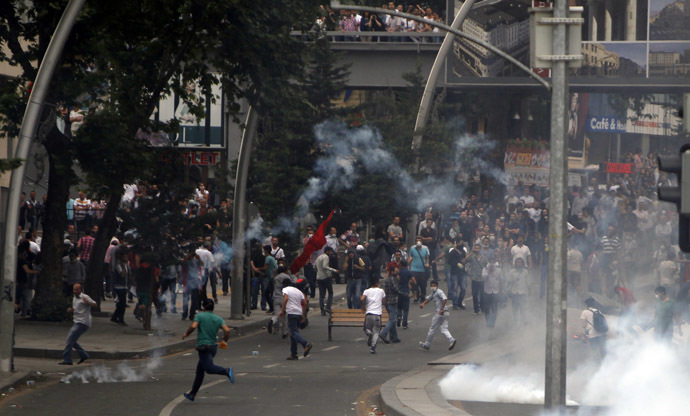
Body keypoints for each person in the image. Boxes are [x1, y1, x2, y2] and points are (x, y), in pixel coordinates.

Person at [182, 298, 234, 402]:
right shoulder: (218, 318)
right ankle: (192, 394)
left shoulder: (200, 316)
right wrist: (224, 341)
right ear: (213, 307)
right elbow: (227, 330)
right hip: (213, 347)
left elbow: (193, 326)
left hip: (203, 347)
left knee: (209, 368)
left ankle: (226, 371)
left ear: (203, 307)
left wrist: (186, 334)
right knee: (200, 371)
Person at [58, 283, 97, 365]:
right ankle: (84, 355)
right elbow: (77, 309)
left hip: (83, 322)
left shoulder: (85, 297)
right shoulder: (74, 298)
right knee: (72, 340)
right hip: (77, 321)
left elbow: (95, 304)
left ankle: (67, 359)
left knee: (69, 339)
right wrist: (71, 310)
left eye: (77, 290)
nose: (75, 291)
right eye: (74, 290)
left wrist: (88, 302)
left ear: (81, 290)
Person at [279, 278, 313, 360]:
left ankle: (305, 344)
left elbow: (286, 298)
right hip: (299, 313)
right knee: (294, 333)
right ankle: (293, 354)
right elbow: (305, 303)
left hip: (291, 312)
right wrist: (303, 315)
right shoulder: (298, 291)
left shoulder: (286, 289)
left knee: (293, 332)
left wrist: (282, 310)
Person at [419, 280, 456, 351]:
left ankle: (427, 344)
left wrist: (441, 309)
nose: (433, 287)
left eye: (434, 285)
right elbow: (429, 298)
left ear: (437, 286)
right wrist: (423, 303)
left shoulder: (439, 292)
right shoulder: (434, 293)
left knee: (432, 329)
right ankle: (451, 340)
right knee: (444, 329)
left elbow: (445, 299)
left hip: (440, 313)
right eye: (431, 286)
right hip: (446, 313)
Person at [361, 278, 386, 354]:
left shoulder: (367, 291)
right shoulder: (381, 291)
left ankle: (369, 334)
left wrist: (363, 307)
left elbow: (362, 299)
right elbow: (384, 301)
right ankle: (373, 347)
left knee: (366, 328)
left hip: (369, 314)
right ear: (376, 283)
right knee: (376, 331)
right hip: (377, 314)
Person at [268, 265, 291, 338]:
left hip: (276, 297)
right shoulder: (287, 277)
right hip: (284, 298)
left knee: (277, 314)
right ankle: (285, 332)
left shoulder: (276, 278)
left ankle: (272, 320)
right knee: (285, 316)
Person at [380, 268, 401, 345]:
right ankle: (383, 333)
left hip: (387, 301)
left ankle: (394, 337)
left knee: (392, 319)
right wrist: (398, 281)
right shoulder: (393, 279)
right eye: (396, 271)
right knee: (393, 320)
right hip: (392, 301)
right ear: (392, 272)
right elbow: (396, 289)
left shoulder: (387, 279)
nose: (397, 272)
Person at [315, 246, 338, 315]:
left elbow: (315, 267)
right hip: (325, 277)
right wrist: (334, 270)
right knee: (330, 292)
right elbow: (325, 266)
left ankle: (322, 310)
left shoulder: (319, 257)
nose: (331, 253)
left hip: (319, 277)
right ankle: (328, 307)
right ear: (327, 251)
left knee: (322, 294)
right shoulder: (326, 257)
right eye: (330, 251)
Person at [507, 257, 529, 325]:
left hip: (523, 292)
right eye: (517, 262)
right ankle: (516, 321)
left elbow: (527, 282)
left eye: (520, 262)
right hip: (514, 292)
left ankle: (524, 320)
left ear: (522, 263)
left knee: (523, 307)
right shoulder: (512, 272)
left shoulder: (525, 272)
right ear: (515, 263)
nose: (519, 263)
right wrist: (508, 291)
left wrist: (529, 290)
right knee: (515, 308)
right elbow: (509, 282)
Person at [409, 236, 430, 302]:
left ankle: (423, 296)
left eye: (420, 240)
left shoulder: (425, 248)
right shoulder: (412, 248)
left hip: (422, 269)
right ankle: (416, 296)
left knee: (423, 284)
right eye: (417, 240)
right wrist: (409, 262)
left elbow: (427, 257)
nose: (418, 242)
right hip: (414, 269)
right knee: (414, 284)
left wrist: (427, 263)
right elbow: (410, 256)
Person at [482, 259, 502, 328]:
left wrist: (501, 290)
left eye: (493, 263)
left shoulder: (498, 270)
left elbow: (500, 280)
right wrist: (489, 271)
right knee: (487, 308)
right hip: (487, 291)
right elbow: (484, 278)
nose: (492, 264)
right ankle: (488, 322)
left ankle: (492, 322)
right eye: (490, 263)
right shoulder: (485, 269)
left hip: (496, 291)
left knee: (494, 308)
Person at [397, 260, 415, 329]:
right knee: (406, 309)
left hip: (399, 291)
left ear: (400, 265)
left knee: (399, 306)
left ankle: (399, 316)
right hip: (406, 291)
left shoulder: (398, 271)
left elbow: (397, 279)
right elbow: (414, 280)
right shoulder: (409, 272)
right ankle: (404, 324)